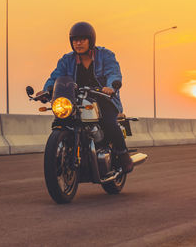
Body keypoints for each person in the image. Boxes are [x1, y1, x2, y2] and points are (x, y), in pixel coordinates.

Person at [36, 21, 134, 173]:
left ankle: (123, 155)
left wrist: (111, 86)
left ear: (91, 40)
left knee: (109, 122)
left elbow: (113, 72)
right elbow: (55, 77)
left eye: (82, 39)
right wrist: (45, 91)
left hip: (103, 98)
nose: (78, 43)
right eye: (75, 40)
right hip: (75, 99)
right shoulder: (66, 60)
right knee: (61, 119)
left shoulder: (105, 55)